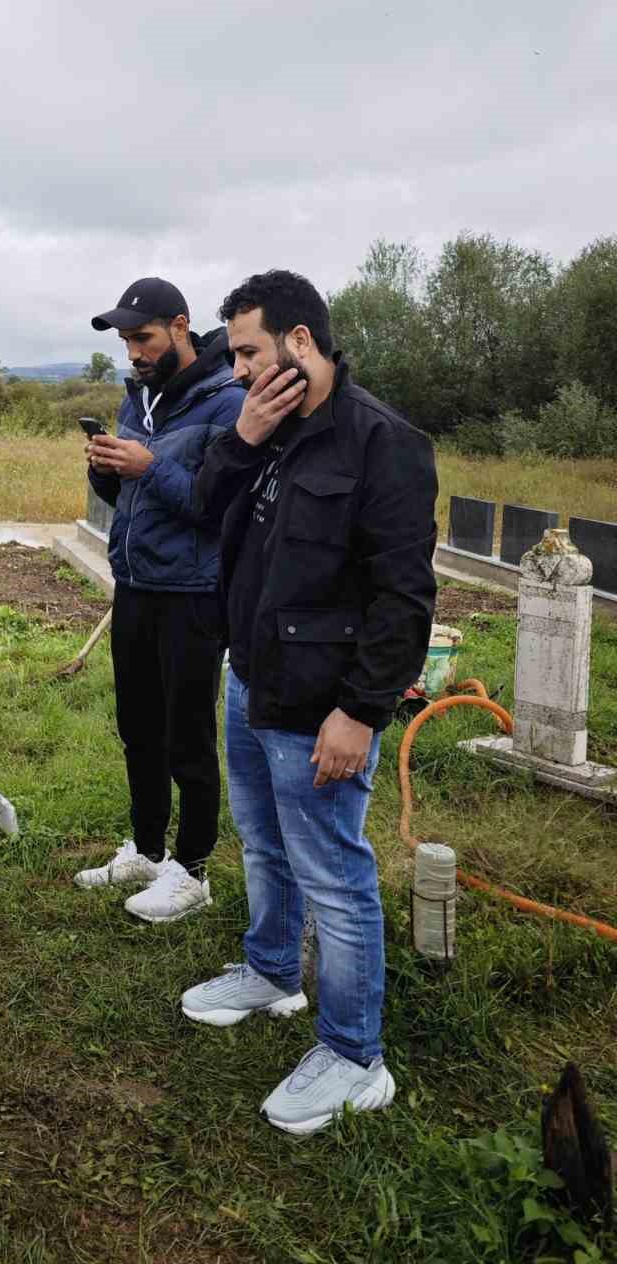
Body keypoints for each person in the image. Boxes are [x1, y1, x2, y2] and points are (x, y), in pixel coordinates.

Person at [180, 270, 437, 1135]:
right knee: (262, 843)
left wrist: (362, 712)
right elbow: (204, 510)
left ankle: (355, 1055)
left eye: (248, 351)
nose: (240, 370)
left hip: (322, 706)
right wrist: (242, 437)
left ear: (299, 341)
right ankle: (271, 972)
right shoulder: (267, 430)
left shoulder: (383, 443)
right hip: (250, 681)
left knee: (334, 870)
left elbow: (404, 597)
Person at [77, 277, 244, 922]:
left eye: (142, 338)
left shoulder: (227, 402)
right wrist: (106, 468)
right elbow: (132, 498)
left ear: (180, 326)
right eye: (126, 342)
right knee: (139, 727)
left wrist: (149, 466)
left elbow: (216, 503)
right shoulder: (138, 400)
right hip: (137, 584)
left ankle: (192, 870)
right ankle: (147, 849)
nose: (134, 353)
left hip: (195, 593)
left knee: (188, 736)